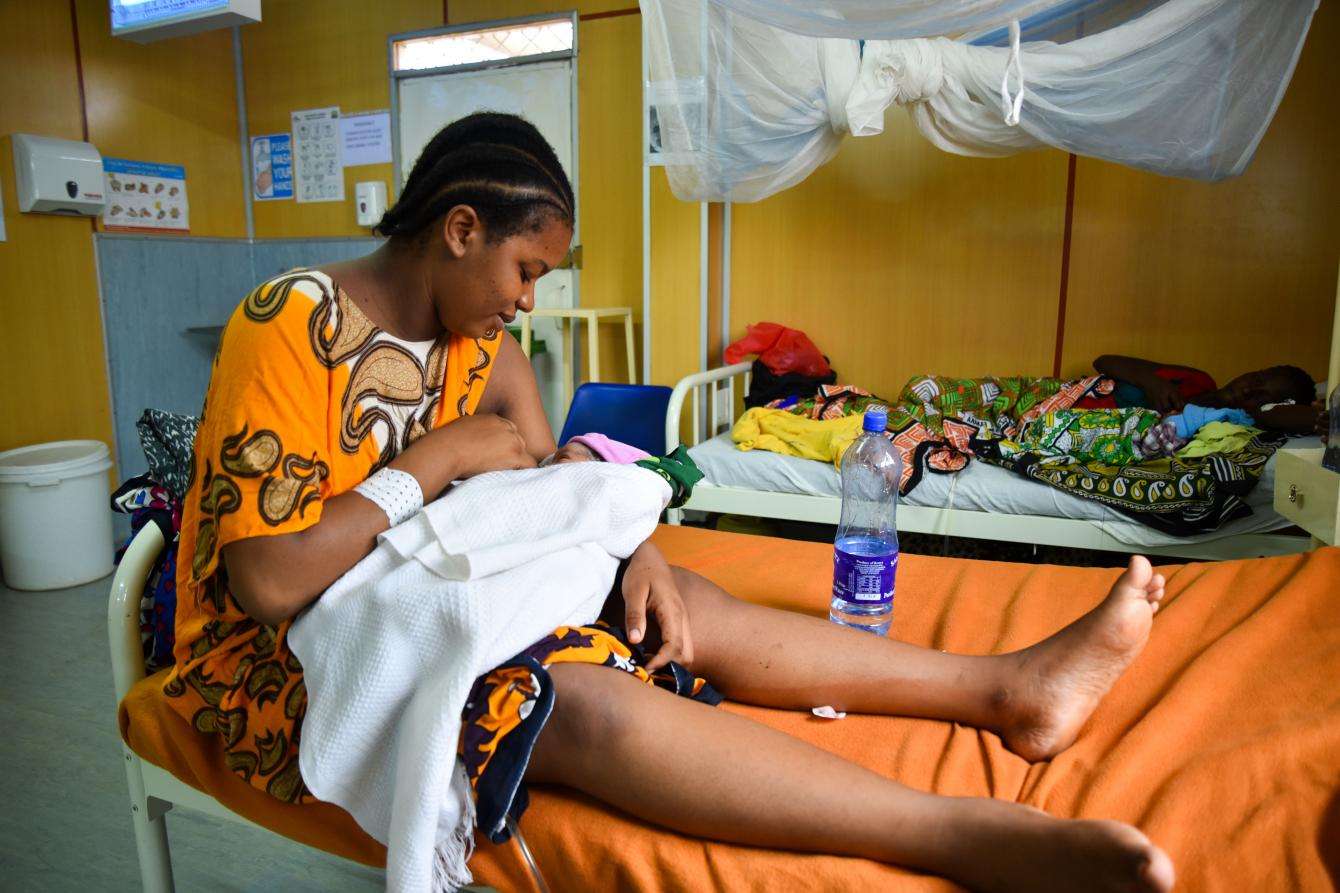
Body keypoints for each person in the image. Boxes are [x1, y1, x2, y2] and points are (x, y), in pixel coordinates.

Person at [167, 112, 1174, 893]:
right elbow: (267, 580)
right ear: (459, 228)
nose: (526, 301)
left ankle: (1005, 690)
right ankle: (957, 835)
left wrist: (628, 540)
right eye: (523, 270)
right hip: (285, 662)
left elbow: (554, 476)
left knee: (673, 604)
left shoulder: (481, 342)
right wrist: (427, 460)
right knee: (571, 698)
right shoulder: (289, 323)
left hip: (421, 598)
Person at [1090, 354, 1325, 435]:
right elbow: (1103, 361)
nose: (1247, 389)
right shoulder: (1198, 380)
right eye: (1255, 380)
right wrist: (1152, 382)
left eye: (1260, 396)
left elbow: (1284, 416)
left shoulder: (1219, 425)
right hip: (1067, 395)